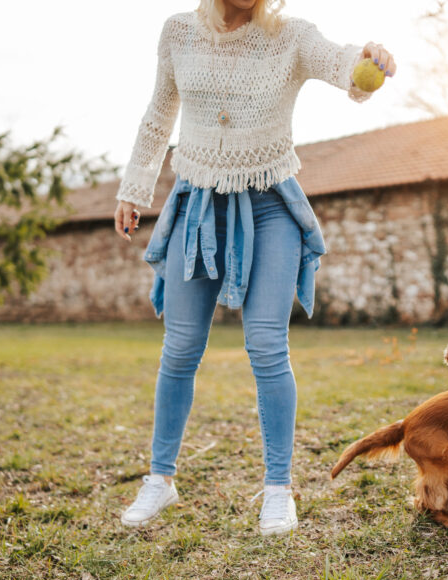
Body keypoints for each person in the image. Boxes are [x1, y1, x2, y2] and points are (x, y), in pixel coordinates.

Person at [114, 0, 395, 535]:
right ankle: (161, 479)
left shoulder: (290, 35)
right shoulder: (178, 32)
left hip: (269, 206)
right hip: (197, 203)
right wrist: (135, 187)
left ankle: (277, 488)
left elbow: (341, 64)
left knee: (267, 344)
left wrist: (370, 61)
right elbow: (159, 114)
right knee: (179, 347)